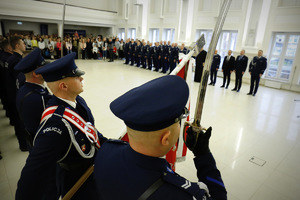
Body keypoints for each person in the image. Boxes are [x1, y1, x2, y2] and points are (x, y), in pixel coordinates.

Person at [94, 75, 227, 199]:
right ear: (166, 139)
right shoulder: (176, 194)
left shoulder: (106, 150)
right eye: (179, 121)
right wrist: (203, 155)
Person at [16, 53, 107, 199]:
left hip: (92, 172)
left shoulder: (79, 101)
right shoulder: (55, 125)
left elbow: (91, 130)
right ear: (63, 85)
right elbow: (32, 175)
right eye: (77, 76)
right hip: (75, 182)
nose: (81, 78)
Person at [15, 48, 52, 149]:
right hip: (42, 143)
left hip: (32, 139)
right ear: (36, 73)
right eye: (43, 67)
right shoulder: (40, 97)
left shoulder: (24, 89)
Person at [5, 36, 28, 151]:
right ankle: (24, 145)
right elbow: (19, 80)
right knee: (20, 121)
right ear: (17, 46)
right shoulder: (16, 61)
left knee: (18, 120)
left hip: (12, 92)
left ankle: (22, 141)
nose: (25, 45)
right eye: (23, 43)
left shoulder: (12, 58)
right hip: (16, 94)